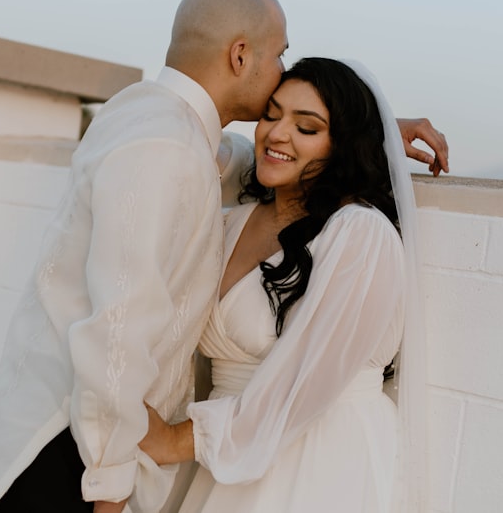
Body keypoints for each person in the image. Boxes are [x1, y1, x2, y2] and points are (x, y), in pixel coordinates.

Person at [0, 0, 443, 513]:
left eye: (306, 124)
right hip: (76, 454)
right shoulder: (169, 149)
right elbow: (116, 332)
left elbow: (228, 156)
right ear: (240, 55)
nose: (282, 70)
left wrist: (364, 130)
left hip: (302, 468)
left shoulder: (143, 115)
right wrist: (112, 490)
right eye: (280, 55)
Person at [140, 57, 427, 513]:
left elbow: (307, 374)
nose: (276, 133)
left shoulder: (360, 234)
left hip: (318, 461)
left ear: (342, 146)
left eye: (306, 127)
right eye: (271, 115)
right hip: (225, 463)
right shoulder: (232, 222)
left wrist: (178, 439)